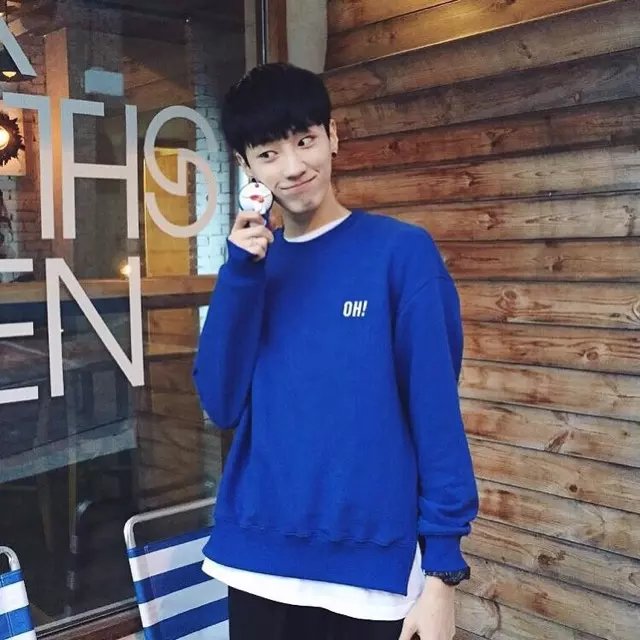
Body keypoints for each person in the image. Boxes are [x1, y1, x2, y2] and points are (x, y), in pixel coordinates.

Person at [193, 63, 479, 640]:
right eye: (269, 153)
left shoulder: (400, 254)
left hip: (372, 578)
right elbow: (220, 404)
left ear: (332, 136)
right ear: (247, 168)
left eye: (305, 141)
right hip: (255, 563)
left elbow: (435, 413)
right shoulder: (251, 271)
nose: (293, 167)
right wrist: (240, 274)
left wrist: (442, 572)